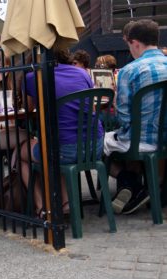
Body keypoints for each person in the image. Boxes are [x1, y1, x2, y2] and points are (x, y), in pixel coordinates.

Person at [20, 47, 101, 216]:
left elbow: (28, 108)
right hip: (96, 146)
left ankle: (41, 205)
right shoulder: (82, 73)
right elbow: (92, 107)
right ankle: (65, 203)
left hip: (65, 150)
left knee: (22, 155)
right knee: (54, 145)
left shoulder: (34, 76)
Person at [103, 19, 167, 215]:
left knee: (99, 141)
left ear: (135, 43)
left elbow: (124, 118)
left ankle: (131, 184)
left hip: (143, 142)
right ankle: (151, 187)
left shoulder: (129, 71)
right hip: (164, 139)